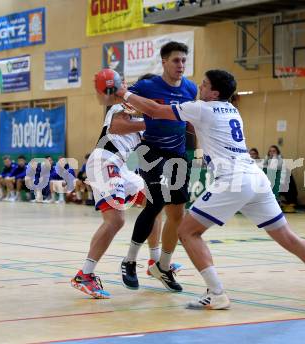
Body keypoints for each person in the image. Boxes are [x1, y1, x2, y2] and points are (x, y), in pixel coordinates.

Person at [116, 69, 305, 309]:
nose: (199, 87)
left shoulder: (202, 108)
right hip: (256, 178)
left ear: (213, 93)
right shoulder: (232, 110)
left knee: (187, 231)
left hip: (233, 179)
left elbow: (154, 110)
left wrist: (123, 94)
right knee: (289, 238)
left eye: (203, 84)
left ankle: (216, 294)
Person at [120, 41, 197, 292]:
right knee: (154, 204)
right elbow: (122, 107)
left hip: (178, 154)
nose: (181, 65)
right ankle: (130, 260)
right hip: (151, 151)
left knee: (178, 214)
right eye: (176, 60)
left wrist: (196, 151)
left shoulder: (190, 88)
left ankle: (162, 266)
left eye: (184, 60)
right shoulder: (147, 86)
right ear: (164, 62)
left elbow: (191, 122)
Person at [71, 69, 147, 298]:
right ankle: (84, 275)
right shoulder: (120, 106)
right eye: (122, 82)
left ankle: (157, 261)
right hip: (106, 160)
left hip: (122, 166)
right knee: (115, 220)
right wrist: (150, 123)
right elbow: (117, 127)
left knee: (155, 203)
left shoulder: (143, 112)